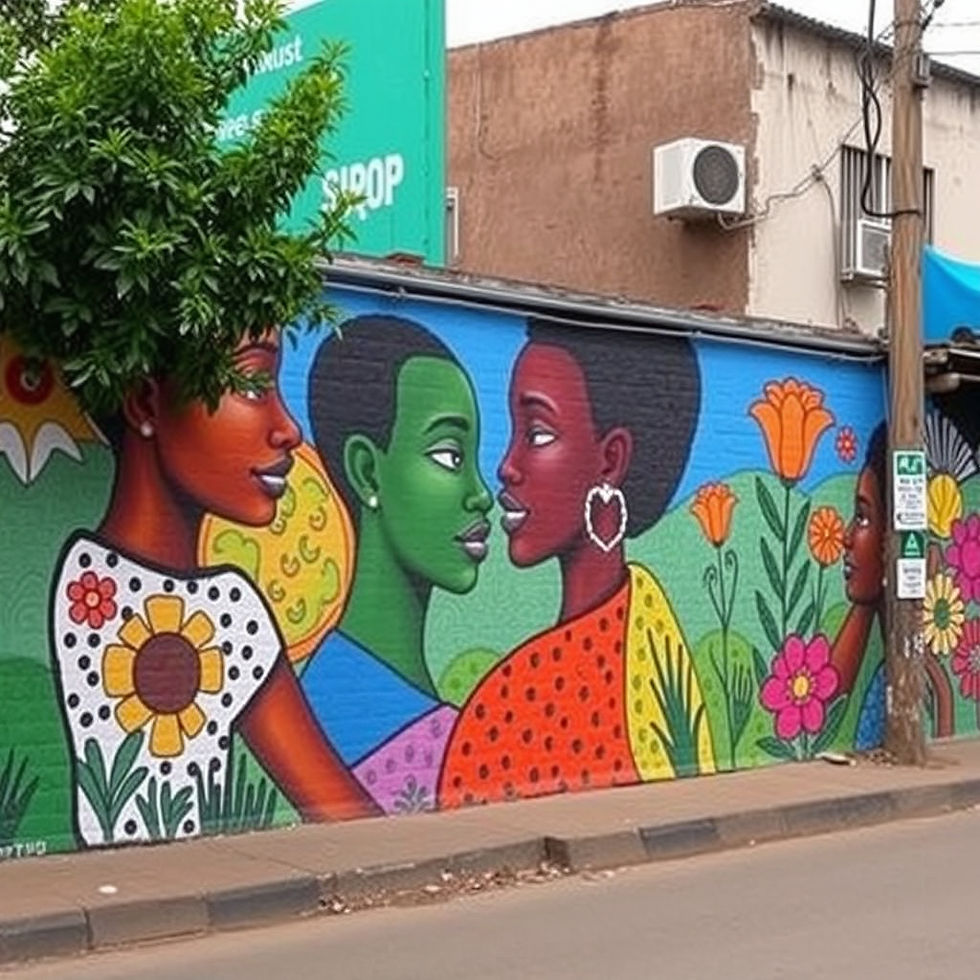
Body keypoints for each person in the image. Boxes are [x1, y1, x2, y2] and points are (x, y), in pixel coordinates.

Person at [51, 332, 374, 847]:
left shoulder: (83, 574)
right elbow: (344, 813)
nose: (289, 429)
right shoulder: (224, 610)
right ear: (144, 402)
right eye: (252, 384)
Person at [439, 318, 716, 808]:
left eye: (538, 434)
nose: (506, 464)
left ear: (610, 460)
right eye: (513, 432)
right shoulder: (651, 638)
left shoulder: (510, 708)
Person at [301, 315, 493, 814]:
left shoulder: (324, 693)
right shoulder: (325, 713)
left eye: (475, 459)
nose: (482, 494)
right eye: (450, 456)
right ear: (368, 472)